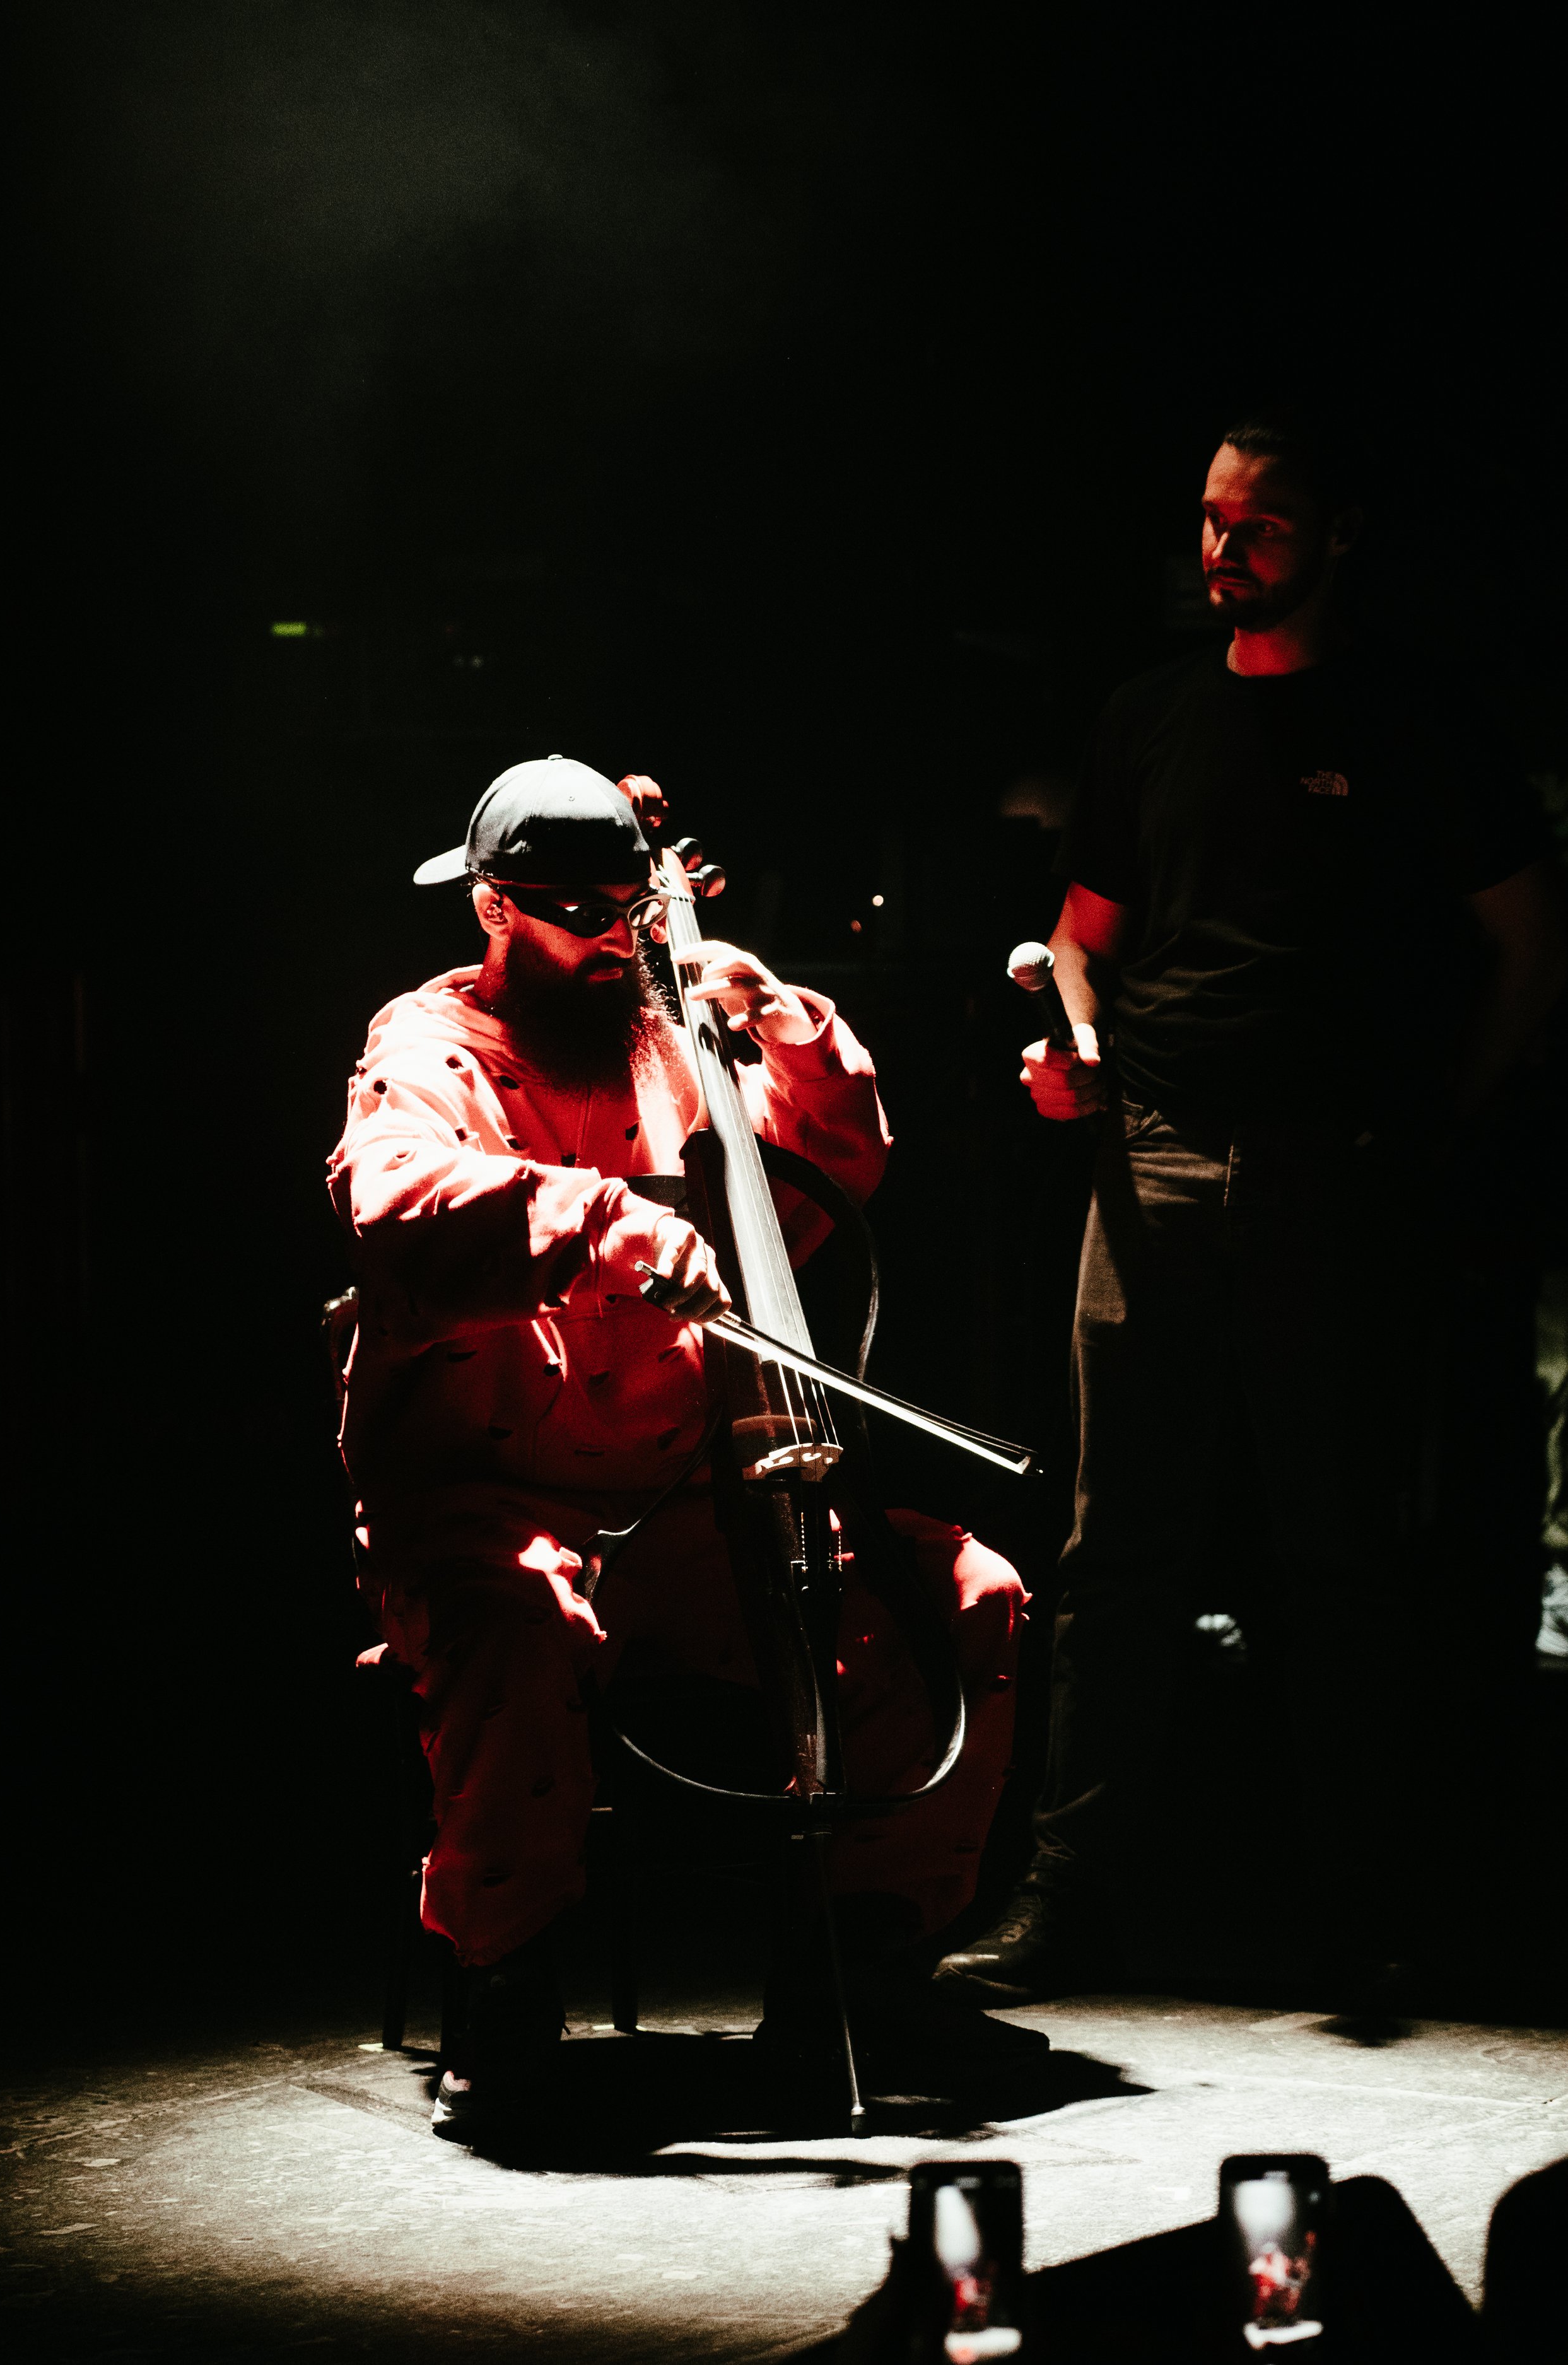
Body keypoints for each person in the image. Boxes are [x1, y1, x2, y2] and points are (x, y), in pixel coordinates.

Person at [935, 410, 1567, 2015]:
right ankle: (1069, 1903)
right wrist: (1071, 1044)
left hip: (1327, 1177)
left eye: (1260, 527)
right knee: (1113, 1553)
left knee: (1336, 1560)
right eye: (1211, 523)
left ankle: (1363, 1917)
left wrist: (1425, 1131)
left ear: (1334, 535)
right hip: (1147, 1167)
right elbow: (1081, 935)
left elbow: (1527, 946)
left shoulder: (1414, 723)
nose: (1224, 552)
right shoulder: (1149, 718)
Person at [327, 756, 1026, 2134]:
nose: (608, 937)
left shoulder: (667, 1039)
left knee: (965, 1596)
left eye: (625, 905)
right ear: (490, 907)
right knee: (519, 1618)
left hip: (688, 1500)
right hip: (490, 1499)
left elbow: (829, 1167)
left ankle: (865, 1960)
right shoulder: (428, 1043)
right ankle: (506, 1977)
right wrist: (602, 1222)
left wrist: (786, 1026)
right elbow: (397, 1199)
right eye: (568, 911)